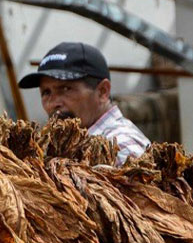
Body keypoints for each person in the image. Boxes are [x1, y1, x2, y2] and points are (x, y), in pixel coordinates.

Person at [18, 42, 150, 165]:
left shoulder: (121, 149)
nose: (53, 103)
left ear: (102, 92)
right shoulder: (70, 146)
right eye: (46, 92)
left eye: (65, 89)